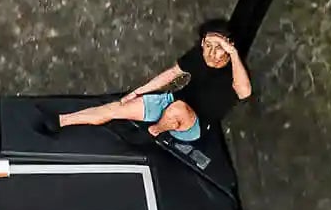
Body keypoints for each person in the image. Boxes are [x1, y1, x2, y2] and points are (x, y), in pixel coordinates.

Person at [40, 18, 252, 144]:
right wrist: (138, 92)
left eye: (219, 48)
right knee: (116, 107)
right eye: (207, 45)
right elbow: (171, 74)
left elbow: (244, 93)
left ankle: (154, 132)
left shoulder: (235, 71)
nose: (211, 53)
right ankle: (62, 120)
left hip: (194, 124)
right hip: (171, 102)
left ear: (229, 48)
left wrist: (232, 52)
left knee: (177, 109)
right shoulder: (197, 55)